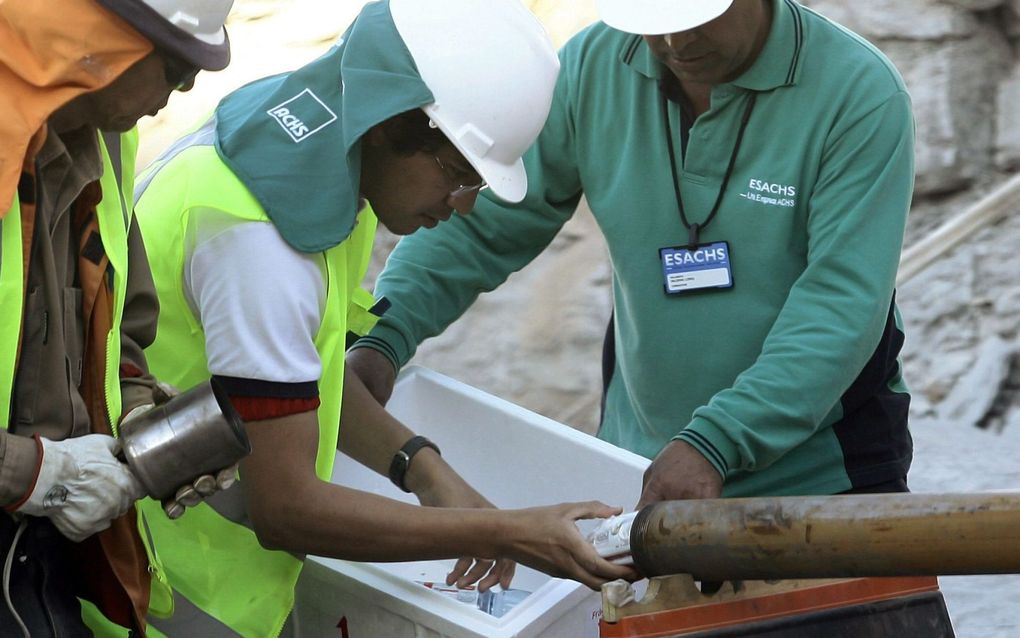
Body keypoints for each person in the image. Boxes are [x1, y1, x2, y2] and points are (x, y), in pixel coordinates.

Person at [107, 1, 637, 636]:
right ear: (390, 122)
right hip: (168, 592)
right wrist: (512, 532)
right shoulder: (261, 242)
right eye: (460, 174)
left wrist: (421, 466)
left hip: (202, 577)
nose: (463, 206)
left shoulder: (314, 151)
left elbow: (289, 380)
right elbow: (288, 510)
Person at [349, 0, 916, 508]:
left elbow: (839, 304)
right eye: (653, 25)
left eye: (695, 18)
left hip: (827, 477)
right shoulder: (594, 65)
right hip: (645, 465)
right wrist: (384, 333)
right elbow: (482, 228)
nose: (675, 44)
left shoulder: (859, 95)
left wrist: (717, 440)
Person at [0, 0, 235, 635]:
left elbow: (113, 322)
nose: (179, 94)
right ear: (109, 38)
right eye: (177, 70)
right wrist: (38, 474)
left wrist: (141, 421)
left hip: (32, 559)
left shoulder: (103, 136)